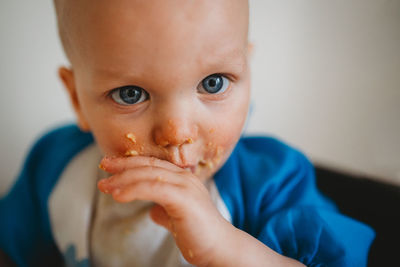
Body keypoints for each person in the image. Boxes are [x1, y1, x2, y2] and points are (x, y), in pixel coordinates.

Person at [0, 0, 375, 266]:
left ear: (247, 72)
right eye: (131, 94)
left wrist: (229, 251)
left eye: (213, 83)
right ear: (76, 98)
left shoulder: (274, 184)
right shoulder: (53, 168)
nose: (177, 133)